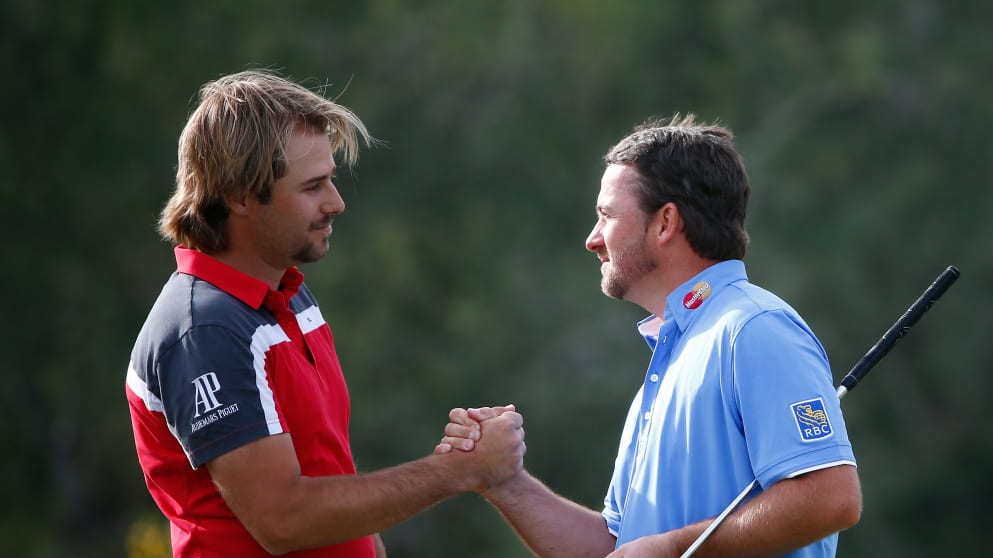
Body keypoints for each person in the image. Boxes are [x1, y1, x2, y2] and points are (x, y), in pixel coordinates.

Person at [124, 70, 526, 558]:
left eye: (330, 180)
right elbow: (283, 520)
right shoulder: (206, 330)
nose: (335, 203)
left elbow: (331, 475)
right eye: (313, 186)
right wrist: (460, 470)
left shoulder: (288, 294)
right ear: (239, 196)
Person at [437, 115, 862, 557]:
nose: (592, 239)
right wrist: (505, 483)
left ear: (665, 223)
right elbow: (618, 550)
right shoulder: (668, 365)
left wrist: (669, 549)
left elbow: (830, 498)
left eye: (607, 216)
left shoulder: (754, 329)